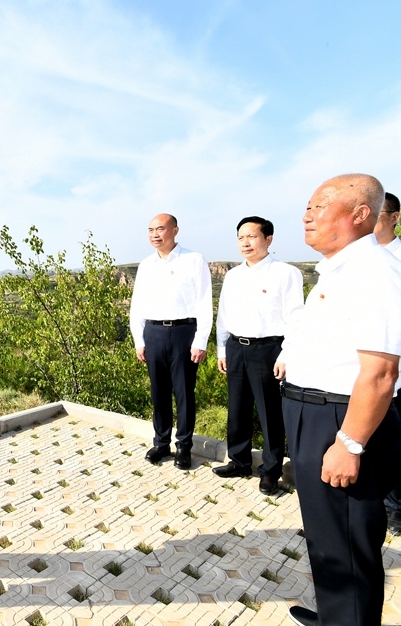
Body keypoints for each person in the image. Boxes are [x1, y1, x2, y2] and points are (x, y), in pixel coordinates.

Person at [275, 174, 401, 626]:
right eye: (307, 207)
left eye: (320, 206)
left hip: (341, 419)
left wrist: (349, 443)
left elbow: (381, 373)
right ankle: (336, 616)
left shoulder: (374, 272)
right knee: (329, 538)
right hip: (315, 414)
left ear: (360, 213)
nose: (307, 216)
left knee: (346, 541)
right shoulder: (337, 270)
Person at [212, 217, 303, 495]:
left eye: (251, 236)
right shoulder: (233, 275)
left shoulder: (285, 273)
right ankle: (239, 462)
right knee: (237, 409)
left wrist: (287, 354)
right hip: (236, 347)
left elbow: (295, 318)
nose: (245, 243)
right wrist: (222, 348)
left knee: (270, 413)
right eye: (241, 237)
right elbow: (224, 315)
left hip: (268, 349)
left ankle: (271, 471)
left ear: (268, 239)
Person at [129, 214, 212, 470]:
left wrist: (201, 340)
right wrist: (139, 339)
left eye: (160, 229)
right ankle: (161, 443)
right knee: (159, 392)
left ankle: (184, 447)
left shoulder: (194, 259)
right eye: (150, 230)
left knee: (184, 392)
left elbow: (204, 302)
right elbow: (137, 305)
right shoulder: (146, 265)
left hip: (183, 332)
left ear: (175, 230)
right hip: (153, 332)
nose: (155, 234)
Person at [374, 191, 401, 537]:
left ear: (395, 218)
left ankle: (395, 507)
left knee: (394, 440)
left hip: (394, 367)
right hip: (360, 369)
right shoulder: (357, 259)